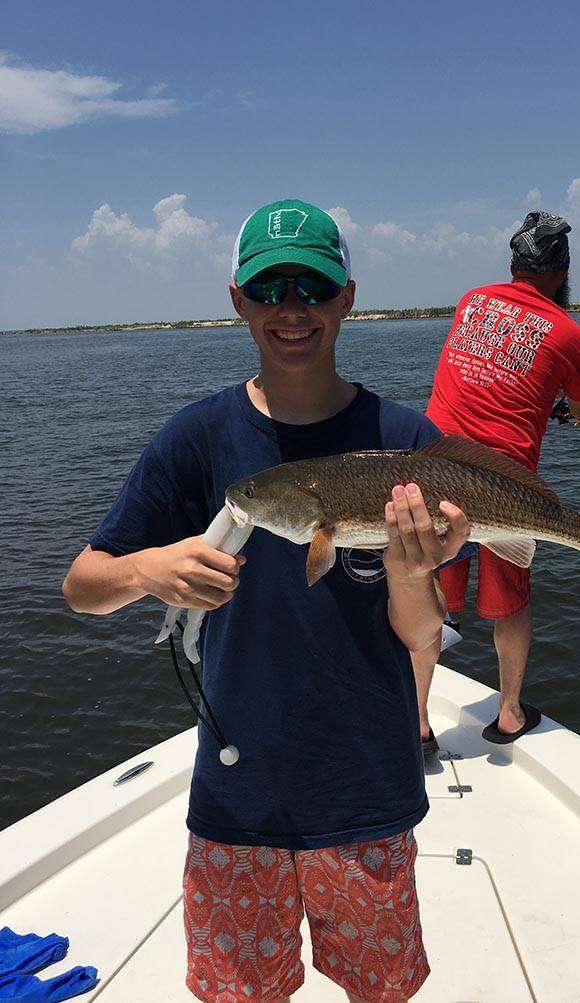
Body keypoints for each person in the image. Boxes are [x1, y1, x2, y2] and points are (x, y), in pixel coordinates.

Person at [61, 198, 470, 1003]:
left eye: (313, 288)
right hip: (235, 793)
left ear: (347, 297)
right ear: (238, 300)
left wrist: (411, 572)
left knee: (382, 991)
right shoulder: (198, 437)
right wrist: (149, 569)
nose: (292, 309)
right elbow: (82, 584)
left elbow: (422, 634)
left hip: (367, 787)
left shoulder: (406, 439)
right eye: (270, 289)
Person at [416, 211, 580, 750]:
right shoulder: (572, 337)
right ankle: (510, 712)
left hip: (433, 477)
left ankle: (418, 722)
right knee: (511, 602)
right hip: (504, 493)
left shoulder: (471, 301)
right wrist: (571, 409)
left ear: (513, 264)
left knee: (427, 599)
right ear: (562, 272)